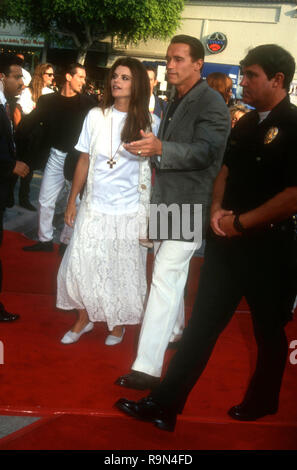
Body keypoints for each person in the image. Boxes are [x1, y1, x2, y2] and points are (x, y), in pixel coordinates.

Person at [115, 44, 297, 432]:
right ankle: (164, 403)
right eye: (168, 59)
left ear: (277, 80)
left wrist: (241, 222)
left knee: (266, 329)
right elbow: (224, 170)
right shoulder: (243, 122)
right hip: (207, 224)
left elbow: (288, 193)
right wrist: (218, 211)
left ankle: (260, 398)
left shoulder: (228, 108)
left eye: (251, 75)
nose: (241, 81)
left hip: (264, 246)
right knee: (195, 317)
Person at [115, 35, 230, 390]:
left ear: (199, 64)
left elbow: (206, 152)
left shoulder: (210, 103)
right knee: (168, 272)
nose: (172, 65)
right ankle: (176, 329)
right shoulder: (176, 99)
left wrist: (161, 146)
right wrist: (153, 148)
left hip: (190, 202)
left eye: (179, 59)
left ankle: (147, 367)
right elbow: (174, 151)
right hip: (169, 199)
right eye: (169, 59)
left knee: (164, 277)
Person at [56, 57, 160, 345]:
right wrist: (72, 200)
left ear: (137, 83)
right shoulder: (95, 116)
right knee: (81, 264)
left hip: (128, 210)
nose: (116, 81)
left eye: (125, 77)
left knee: (120, 269)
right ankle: (84, 317)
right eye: (115, 76)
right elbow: (84, 160)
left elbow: (159, 169)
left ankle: (117, 324)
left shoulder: (152, 123)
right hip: (94, 205)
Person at [22, 63, 94, 253]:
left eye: (84, 78)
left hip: (78, 160)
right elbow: (29, 123)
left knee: (76, 203)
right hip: (55, 155)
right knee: (45, 200)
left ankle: (66, 242)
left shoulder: (88, 104)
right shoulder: (48, 100)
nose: (83, 82)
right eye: (80, 77)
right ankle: (44, 240)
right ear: (69, 77)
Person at [0, 53, 30, 321]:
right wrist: (9, 165)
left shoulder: (6, 105)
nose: (22, 82)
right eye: (17, 76)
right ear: (2, 77)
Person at [15, 63, 55, 211]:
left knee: (34, 167)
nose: (52, 77)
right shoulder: (28, 92)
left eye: (52, 74)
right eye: (49, 74)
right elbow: (18, 111)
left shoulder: (51, 93)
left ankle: (28, 198)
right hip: (27, 132)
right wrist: (19, 132)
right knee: (23, 166)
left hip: (42, 134)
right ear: (41, 75)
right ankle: (20, 198)